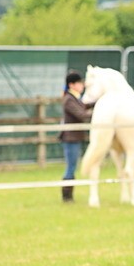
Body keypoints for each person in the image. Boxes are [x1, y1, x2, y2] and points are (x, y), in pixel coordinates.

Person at [58, 70, 92, 203]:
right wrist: (99, 114)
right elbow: (82, 114)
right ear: (72, 85)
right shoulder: (69, 100)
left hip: (75, 138)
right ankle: (67, 196)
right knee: (71, 167)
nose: (82, 85)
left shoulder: (75, 98)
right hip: (70, 138)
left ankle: (68, 195)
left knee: (72, 166)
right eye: (79, 83)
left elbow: (84, 106)